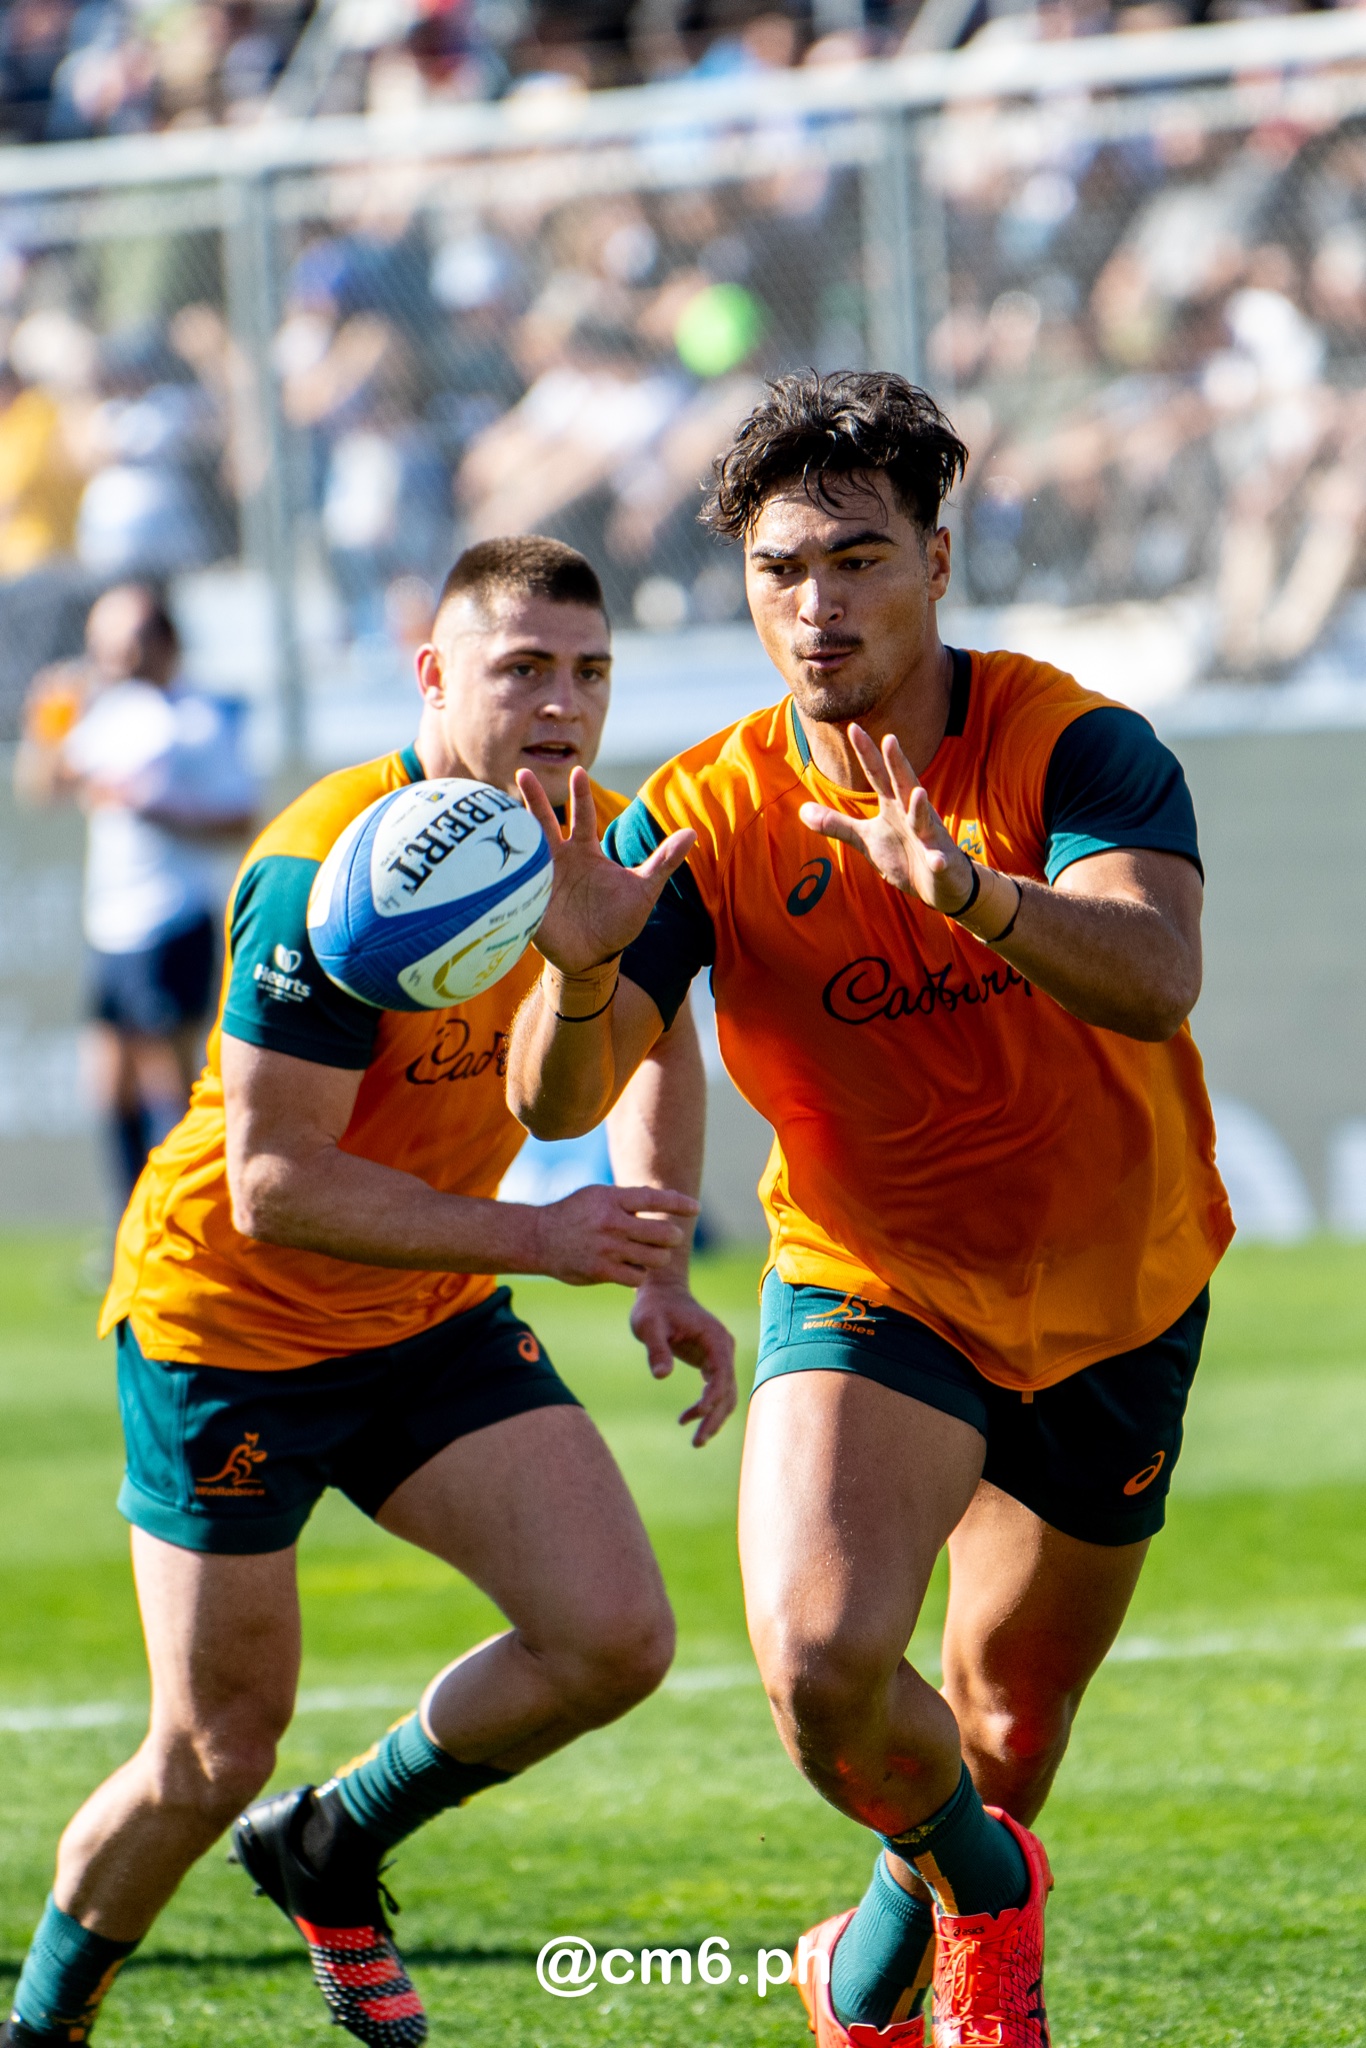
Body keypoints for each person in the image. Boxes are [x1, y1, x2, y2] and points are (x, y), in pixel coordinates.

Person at [506, 373, 1233, 2048]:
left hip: (1116, 1292)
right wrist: (584, 957)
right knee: (826, 1666)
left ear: (937, 562)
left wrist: (969, 888)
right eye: (779, 570)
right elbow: (555, 1099)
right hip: (873, 1280)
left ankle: (862, 1980)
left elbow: (1155, 974)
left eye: (856, 557)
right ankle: (987, 1904)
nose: (815, 605)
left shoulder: (1075, 741)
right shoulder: (698, 815)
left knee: (1005, 1732)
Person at [2, 536, 734, 2048]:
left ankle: (332, 1844)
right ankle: (44, 2028)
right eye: (521, 667)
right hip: (235, 1327)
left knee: (612, 1640)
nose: (562, 704)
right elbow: (274, 1188)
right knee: (210, 1749)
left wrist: (654, 1261)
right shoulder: (328, 866)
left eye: (587, 672)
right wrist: (542, 1242)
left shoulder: (603, 841)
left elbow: (653, 1035)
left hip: (425, 1313)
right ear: (433, 675)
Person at [14, 583, 258, 1217]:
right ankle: (129, 1223)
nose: (110, 659)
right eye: (102, 645)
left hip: (171, 913)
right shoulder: (111, 713)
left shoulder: (198, 718)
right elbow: (43, 787)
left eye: (124, 644)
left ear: (164, 644)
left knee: (170, 1080)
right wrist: (46, 721)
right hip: (113, 922)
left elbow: (239, 815)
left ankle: (187, 1214)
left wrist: (157, 808)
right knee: (109, 1079)